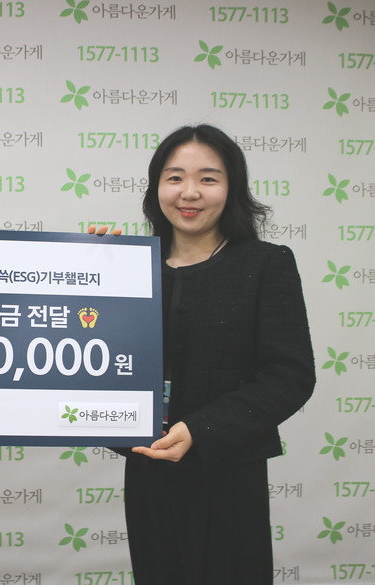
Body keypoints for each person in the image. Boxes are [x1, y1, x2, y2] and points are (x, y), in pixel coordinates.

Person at [100, 124, 315, 585]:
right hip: (148, 468)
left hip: (228, 470)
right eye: (175, 177)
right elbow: (95, 358)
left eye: (208, 178)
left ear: (232, 188)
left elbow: (290, 375)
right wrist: (95, 269)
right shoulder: (128, 268)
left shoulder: (266, 263)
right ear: (156, 187)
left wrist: (200, 430)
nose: (190, 192)